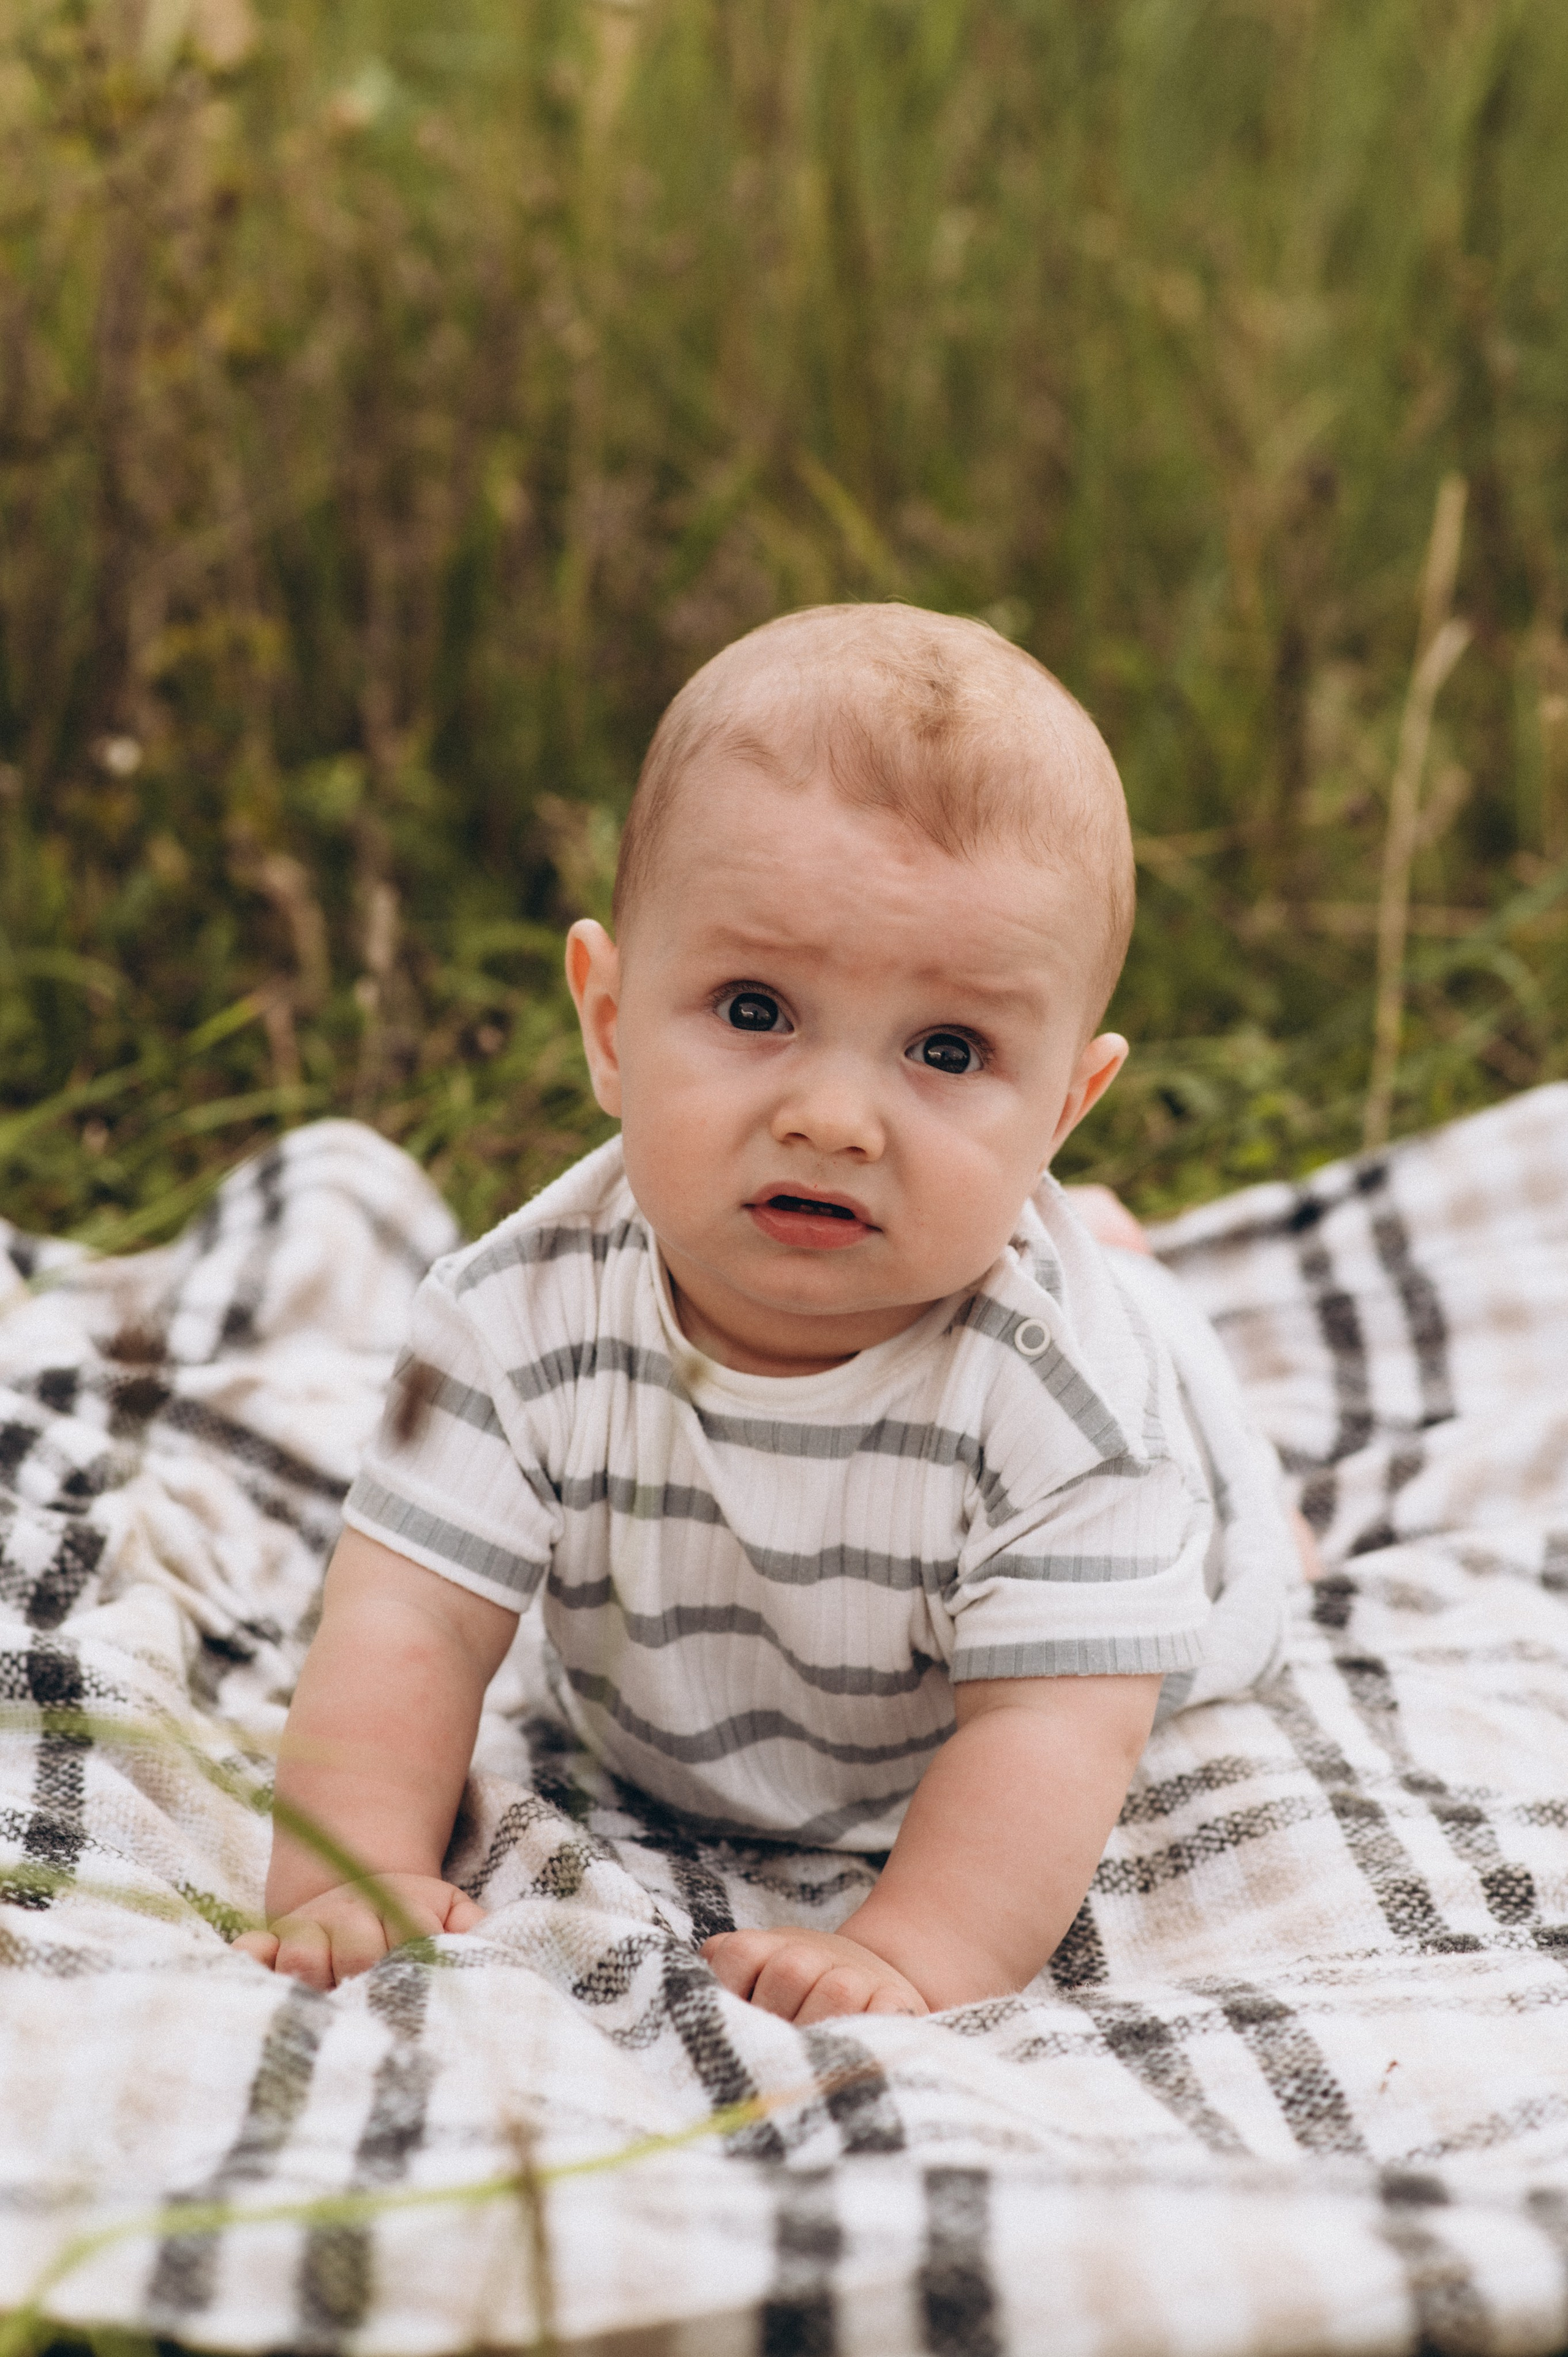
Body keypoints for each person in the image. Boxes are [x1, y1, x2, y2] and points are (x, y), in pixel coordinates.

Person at [235, 604, 1295, 2019]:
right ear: (609, 1023)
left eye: (945, 1050)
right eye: (752, 1009)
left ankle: (1138, 1298)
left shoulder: (1068, 1409)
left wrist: (906, 1953)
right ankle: (1090, 1220)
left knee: (1226, 1545)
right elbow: (408, 1622)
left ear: (1060, 1106)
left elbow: (1056, 1728)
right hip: (674, 1706)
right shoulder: (516, 1316)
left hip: (1079, 1578)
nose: (832, 1118)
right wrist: (347, 1867)